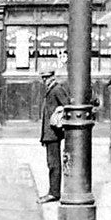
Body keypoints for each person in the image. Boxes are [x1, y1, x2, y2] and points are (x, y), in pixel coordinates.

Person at [38, 68, 70, 204]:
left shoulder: (56, 89)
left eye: (46, 78)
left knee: (54, 164)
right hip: (49, 133)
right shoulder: (51, 89)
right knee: (51, 163)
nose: (44, 81)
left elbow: (67, 106)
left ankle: (54, 193)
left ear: (52, 77)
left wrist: (59, 111)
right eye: (43, 78)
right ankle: (53, 191)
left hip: (53, 134)